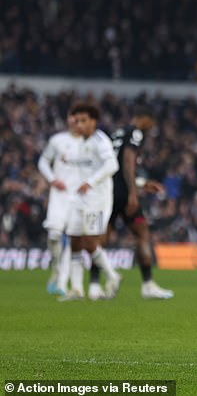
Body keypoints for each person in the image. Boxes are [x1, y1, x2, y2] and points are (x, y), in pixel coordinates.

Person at [88, 106, 174, 300]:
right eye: (150, 124)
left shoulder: (116, 133)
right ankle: (148, 285)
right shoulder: (135, 133)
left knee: (102, 239)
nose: (151, 128)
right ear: (145, 119)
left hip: (107, 192)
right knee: (142, 233)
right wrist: (133, 193)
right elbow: (127, 161)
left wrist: (142, 183)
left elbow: (113, 167)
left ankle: (94, 286)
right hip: (124, 194)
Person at [61, 103, 121, 301]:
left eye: (83, 121)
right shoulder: (80, 142)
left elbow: (112, 165)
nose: (79, 124)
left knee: (89, 242)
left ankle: (112, 276)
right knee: (75, 240)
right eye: (77, 121)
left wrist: (90, 182)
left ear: (93, 122)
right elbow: (84, 164)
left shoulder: (100, 141)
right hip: (80, 198)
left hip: (97, 199)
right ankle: (77, 289)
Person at [37, 113, 83, 296]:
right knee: (54, 235)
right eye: (72, 118)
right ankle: (56, 268)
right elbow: (43, 162)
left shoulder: (89, 144)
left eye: (79, 119)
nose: (75, 122)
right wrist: (52, 179)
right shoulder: (57, 140)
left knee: (72, 238)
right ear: (68, 120)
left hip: (78, 197)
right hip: (59, 195)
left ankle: (63, 280)